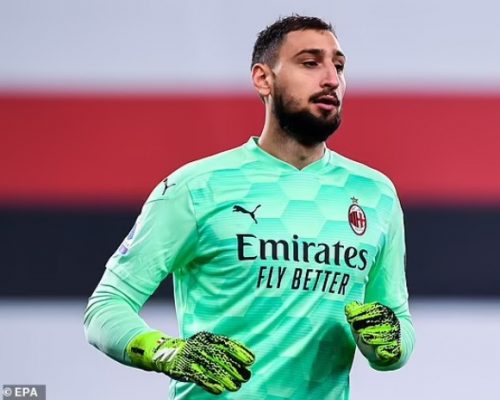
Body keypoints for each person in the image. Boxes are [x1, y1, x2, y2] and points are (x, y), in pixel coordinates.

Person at [84, 15, 415, 400]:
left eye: (338, 67)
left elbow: (398, 325)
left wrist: (390, 343)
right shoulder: (195, 187)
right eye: (310, 63)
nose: (331, 79)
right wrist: (168, 352)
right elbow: (104, 309)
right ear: (263, 79)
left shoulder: (375, 194)